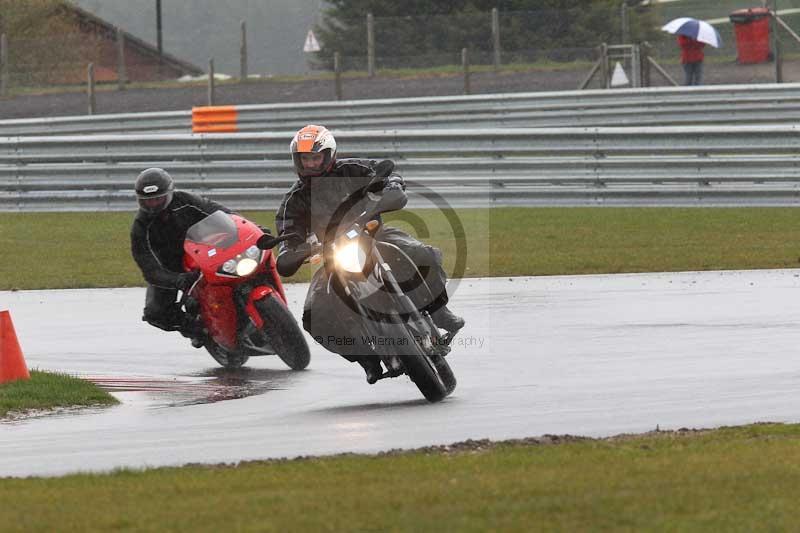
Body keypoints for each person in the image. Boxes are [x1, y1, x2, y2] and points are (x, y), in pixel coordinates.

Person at [275, 125, 465, 383]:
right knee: (314, 315)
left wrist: (391, 187)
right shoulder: (293, 202)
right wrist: (291, 253)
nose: (310, 164)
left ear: (329, 155)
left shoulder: (352, 169)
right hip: (332, 259)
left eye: (315, 157)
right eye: (305, 159)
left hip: (373, 235)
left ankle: (438, 310)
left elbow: (388, 174)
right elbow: (286, 240)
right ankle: (367, 359)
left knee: (421, 254)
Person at [130, 167, 234, 347]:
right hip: (170, 267)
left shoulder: (186, 201)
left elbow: (219, 212)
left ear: (169, 193)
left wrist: (250, 228)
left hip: (203, 250)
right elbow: (149, 268)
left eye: (158, 199)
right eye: (148, 201)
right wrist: (176, 280)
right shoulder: (140, 227)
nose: (153, 204)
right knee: (155, 313)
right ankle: (197, 330)